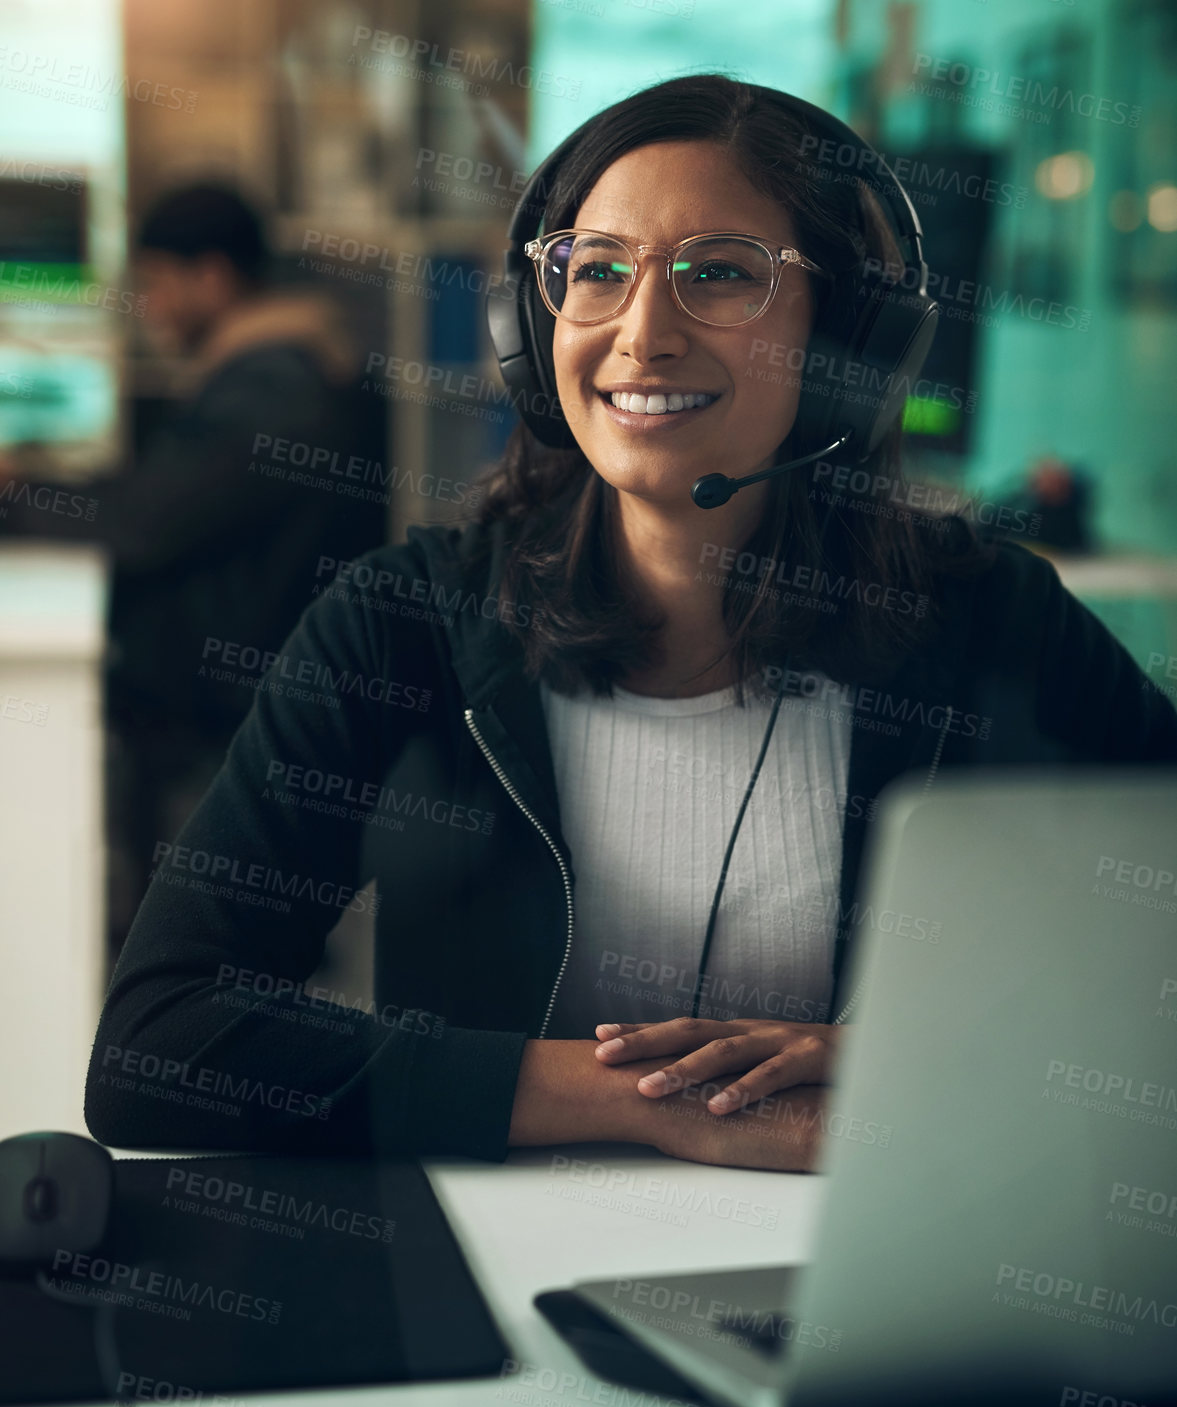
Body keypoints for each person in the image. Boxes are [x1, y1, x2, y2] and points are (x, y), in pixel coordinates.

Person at [83, 78, 1177, 1173]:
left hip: (876, 1272)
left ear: (850, 342)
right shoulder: (400, 624)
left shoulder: (985, 619)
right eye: (596, 272)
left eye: (721, 275)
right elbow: (158, 1046)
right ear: (533, 327)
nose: (642, 334)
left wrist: (923, 1055)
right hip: (491, 1286)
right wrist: (646, 1099)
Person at [0, 183, 387, 945]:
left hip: (219, 713)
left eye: (156, 283)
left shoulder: (274, 388)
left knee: (195, 945)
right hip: (229, 702)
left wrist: (14, 495)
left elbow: (148, 520)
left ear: (211, 277)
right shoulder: (275, 370)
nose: (149, 305)